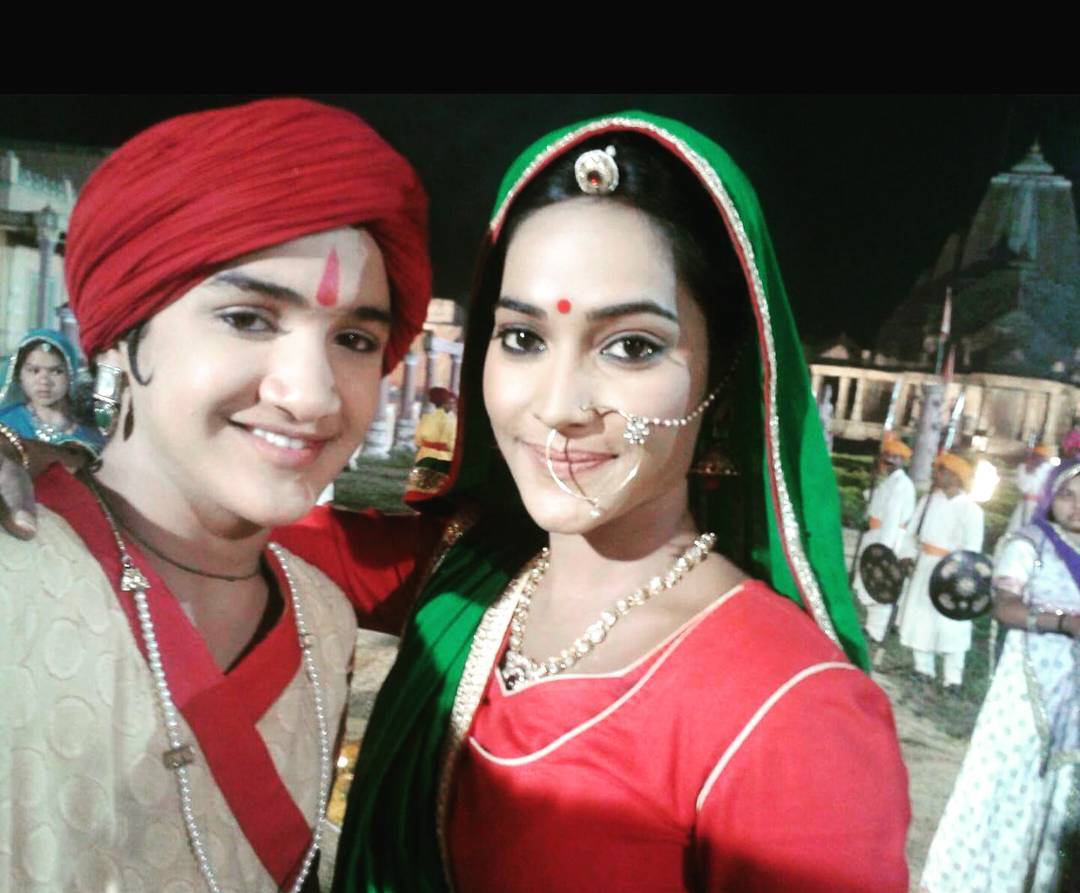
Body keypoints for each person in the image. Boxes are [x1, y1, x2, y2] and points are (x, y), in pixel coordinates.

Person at [330, 113, 910, 892]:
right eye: (522, 338)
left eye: (631, 346)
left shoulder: (795, 711)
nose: (557, 405)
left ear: (723, 379)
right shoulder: (468, 572)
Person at [0, 98, 432, 893]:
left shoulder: (323, 617)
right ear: (122, 335)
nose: (312, 394)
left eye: (355, 339)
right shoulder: (13, 573)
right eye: (247, 319)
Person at [920, 459, 1080, 893]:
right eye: (1067, 495)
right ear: (1051, 497)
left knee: (1063, 785)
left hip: (1073, 692)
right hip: (1027, 684)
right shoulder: (1031, 544)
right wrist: (1062, 622)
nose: (1076, 506)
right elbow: (1004, 607)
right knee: (1013, 776)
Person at [896, 452, 985, 689]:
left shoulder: (972, 510)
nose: (936, 474)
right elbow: (911, 534)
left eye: (941, 471)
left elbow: (972, 549)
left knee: (951, 624)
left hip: (953, 573)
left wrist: (958, 573)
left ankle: (953, 679)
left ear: (956, 477)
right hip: (924, 566)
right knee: (920, 618)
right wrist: (906, 555)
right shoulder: (927, 502)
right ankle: (923, 668)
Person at [853, 432, 916, 643]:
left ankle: (877, 631)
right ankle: (873, 626)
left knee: (882, 582)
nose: (890, 460)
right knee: (871, 581)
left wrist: (884, 549)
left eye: (895, 457)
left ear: (903, 461)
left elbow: (892, 516)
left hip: (887, 537)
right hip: (876, 534)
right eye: (887, 455)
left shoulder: (901, 484)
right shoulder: (888, 481)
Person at [0, 327, 104, 454]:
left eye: (56, 371)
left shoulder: (91, 434)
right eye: (34, 371)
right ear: (18, 375)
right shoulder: (6, 426)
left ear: (71, 375)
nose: (44, 381)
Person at [407, 386, 458, 496]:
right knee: (437, 491)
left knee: (419, 488)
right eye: (452, 403)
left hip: (423, 455)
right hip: (443, 458)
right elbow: (452, 444)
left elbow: (417, 441)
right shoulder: (451, 421)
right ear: (446, 403)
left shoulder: (426, 418)